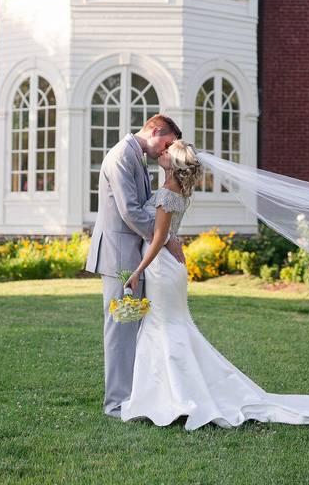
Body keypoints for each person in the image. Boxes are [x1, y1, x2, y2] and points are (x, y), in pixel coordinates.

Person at [118, 140, 309, 431]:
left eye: (167, 152)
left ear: (174, 164)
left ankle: (175, 396)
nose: (161, 153)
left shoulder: (167, 194)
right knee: (168, 327)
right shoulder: (174, 191)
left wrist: (138, 270)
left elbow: (159, 238)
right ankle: (167, 393)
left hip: (160, 268)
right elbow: (166, 234)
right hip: (168, 267)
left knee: (165, 328)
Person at [85, 114, 186, 419]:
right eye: (167, 143)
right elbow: (130, 210)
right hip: (119, 256)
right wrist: (165, 238)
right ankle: (116, 404)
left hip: (134, 254)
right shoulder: (120, 157)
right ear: (155, 130)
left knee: (134, 328)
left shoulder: (137, 156)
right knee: (119, 330)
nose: (166, 151)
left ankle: (134, 396)